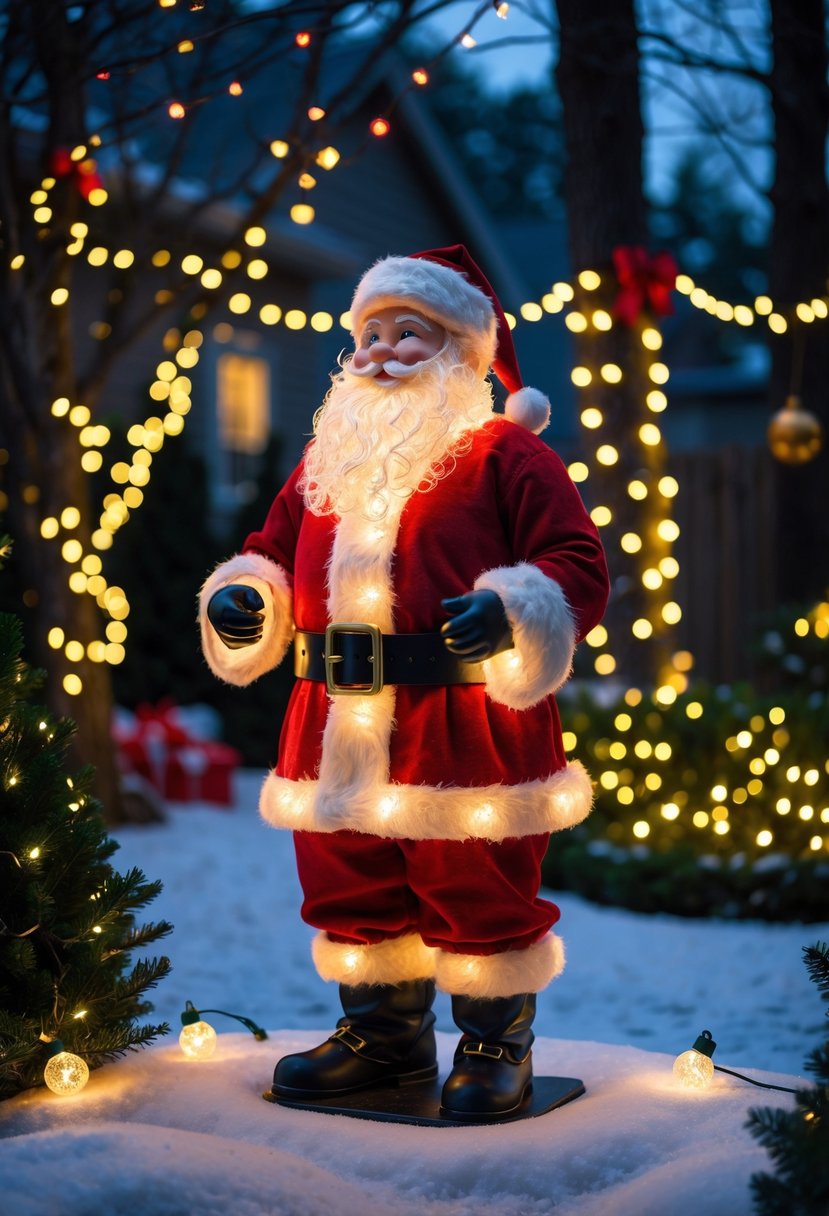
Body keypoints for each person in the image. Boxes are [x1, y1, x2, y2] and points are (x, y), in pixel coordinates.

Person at [199, 245, 609, 1120]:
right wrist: (248, 597)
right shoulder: (325, 461)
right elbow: (271, 553)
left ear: (461, 348)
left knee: (474, 881)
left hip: (459, 719)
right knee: (349, 881)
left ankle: (496, 1043)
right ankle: (380, 1036)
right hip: (331, 721)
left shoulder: (505, 454)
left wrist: (512, 607)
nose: (380, 350)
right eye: (369, 333)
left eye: (407, 332)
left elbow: (574, 561)